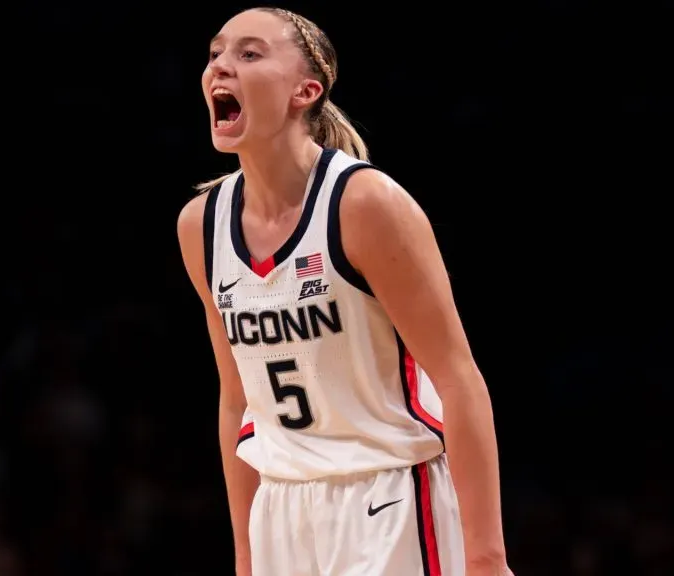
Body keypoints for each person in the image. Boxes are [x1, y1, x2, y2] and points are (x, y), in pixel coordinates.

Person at [176, 7, 511, 576]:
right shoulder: (200, 226)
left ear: (305, 91)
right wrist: (245, 555)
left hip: (387, 497)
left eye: (249, 53)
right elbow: (237, 402)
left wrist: (486, 557)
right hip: (281, 506)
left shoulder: (364, 204)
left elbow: (459, 379)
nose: (220, 67)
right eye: (215, 54)